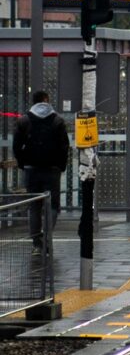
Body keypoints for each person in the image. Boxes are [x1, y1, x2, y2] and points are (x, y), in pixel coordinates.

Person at [13, 90, 69, 254]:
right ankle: (47, 238)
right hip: (52, 170)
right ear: (46, 100)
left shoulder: (24, 121)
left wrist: (24, 163)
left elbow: (16, 147)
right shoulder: (57, 120)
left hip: (31, 169)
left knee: (34, 207)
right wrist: (61, 166)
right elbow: (64, 147)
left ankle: (37, 243)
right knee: (53, 205)